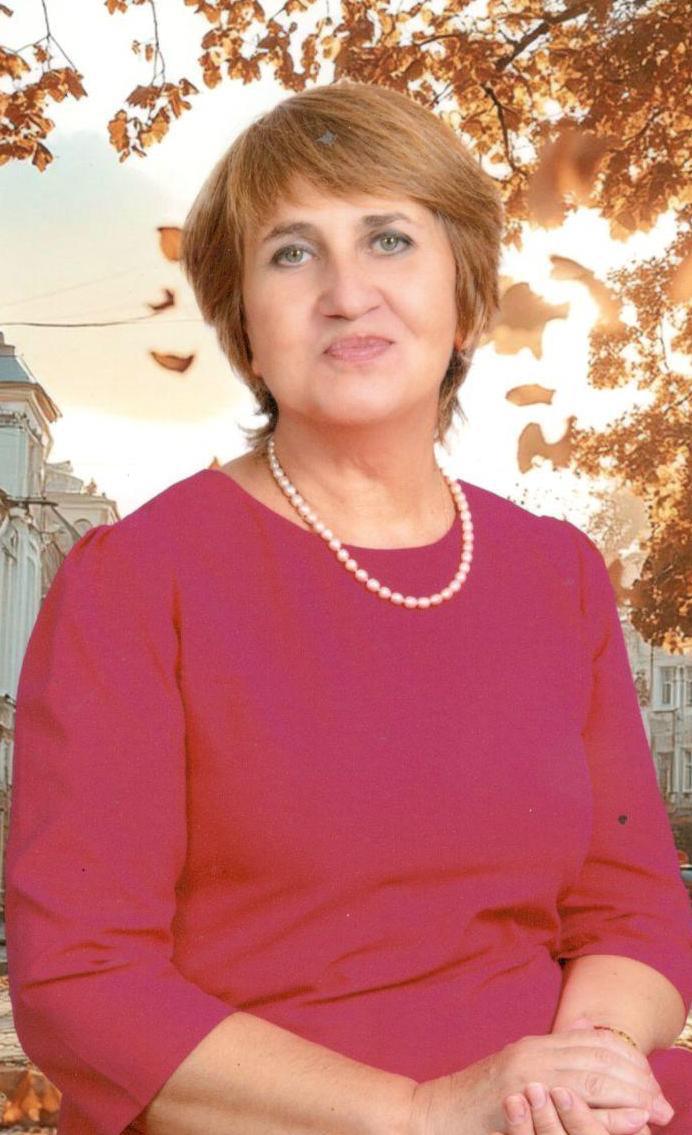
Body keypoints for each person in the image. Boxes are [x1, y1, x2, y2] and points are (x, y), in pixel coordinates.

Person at [4, 79, 691, 1135]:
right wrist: (423, 1111)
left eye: (389, 240)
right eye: (291, 253)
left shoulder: (558, 572)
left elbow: (630, 899)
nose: (345, 291)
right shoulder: (135, 580)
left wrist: (579, 1072)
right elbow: (82, 980)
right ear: (245, 327)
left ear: (466, 298)